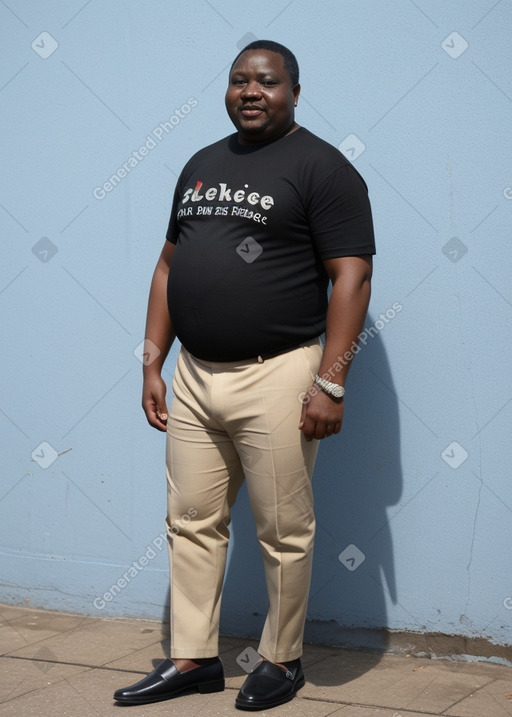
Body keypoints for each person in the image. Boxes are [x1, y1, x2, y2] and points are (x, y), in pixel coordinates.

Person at [114, 39, 375, 711]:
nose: (250, 91)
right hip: (196, 375)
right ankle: (194, 656)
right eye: (238, 81)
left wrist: (332, 379)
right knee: (192, 519)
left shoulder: (323, 167)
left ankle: (281, 660)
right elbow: (170, 266)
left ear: (293, 90)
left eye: (266, 81)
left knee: (284, 528)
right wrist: (153, 360)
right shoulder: (202, 164)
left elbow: (352, 274)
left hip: (280, 373)